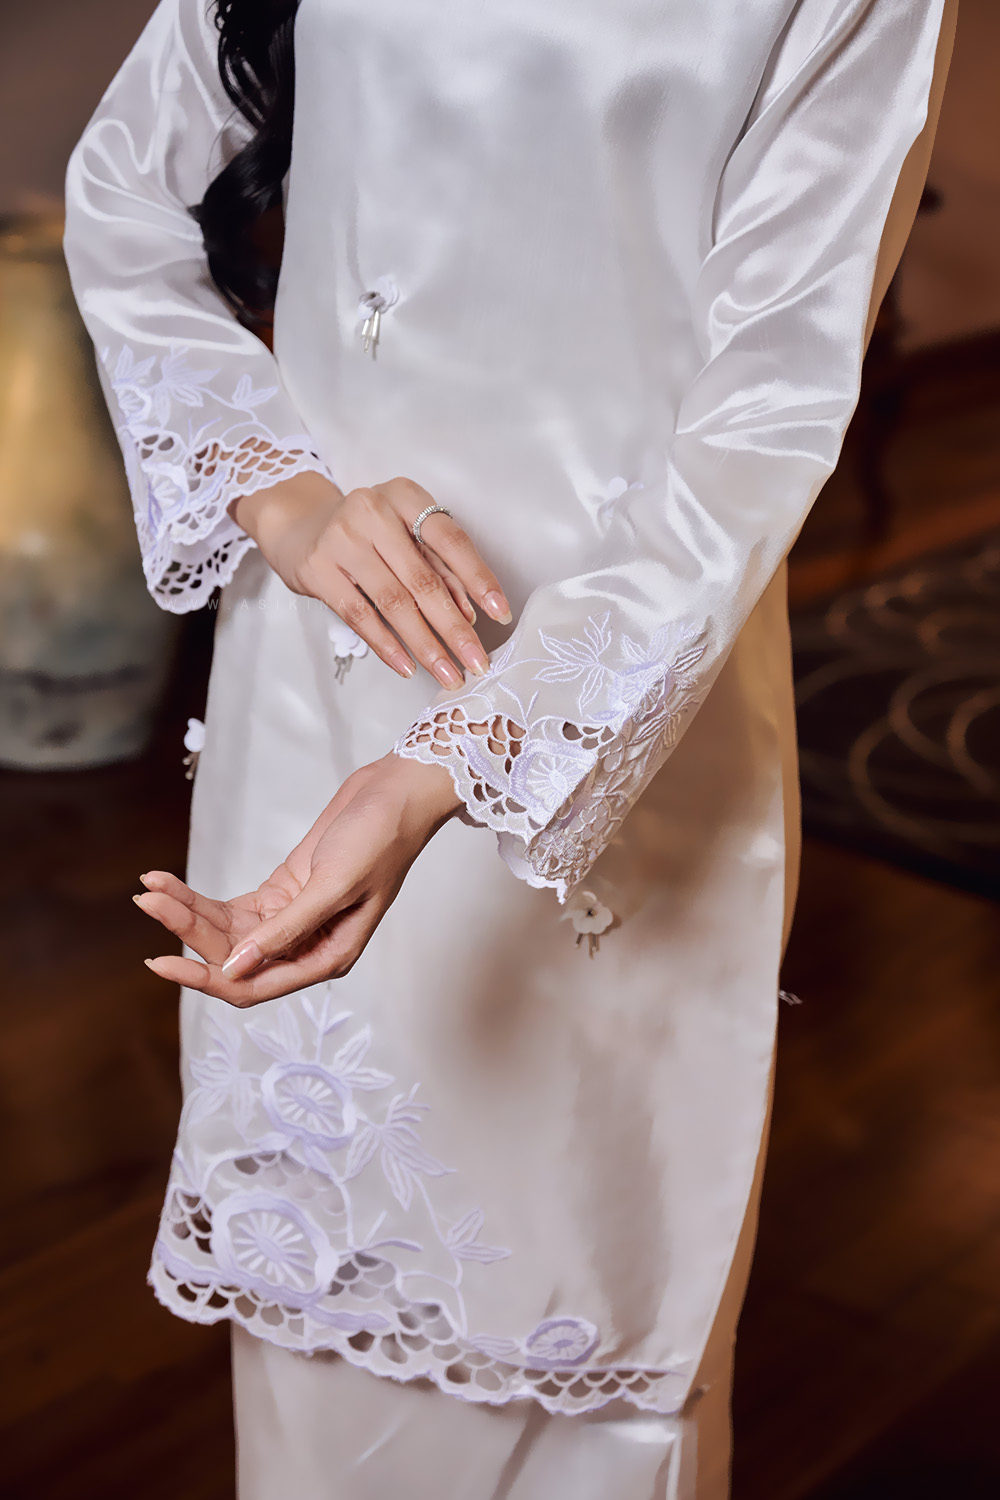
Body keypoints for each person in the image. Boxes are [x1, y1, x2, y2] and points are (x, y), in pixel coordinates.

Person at [64, 1, 955, 1494]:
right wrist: (275, 491)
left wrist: (452, 766)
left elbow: (770, 401)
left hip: (619, 709)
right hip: (322, 663)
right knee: (318, 1324)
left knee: (591, 1359)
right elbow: (124, 187)